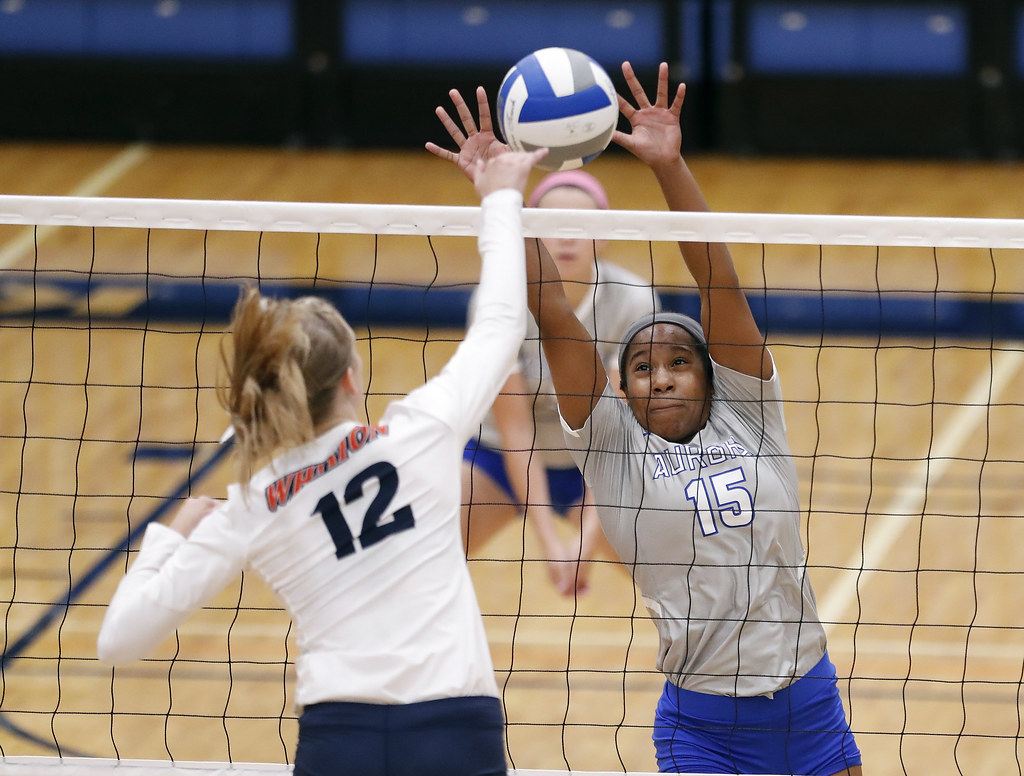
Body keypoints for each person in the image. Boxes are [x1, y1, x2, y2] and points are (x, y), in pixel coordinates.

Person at [96, 148, 549, 776]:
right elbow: (499, 326)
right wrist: (500, 195)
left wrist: (171, 538)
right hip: (453, 733)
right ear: (350, 381)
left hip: (341, 742)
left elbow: (117, 642)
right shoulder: (421, 431)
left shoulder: (253, 503)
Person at [522, 63, 863, 774]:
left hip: (811, 707)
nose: (662, 376)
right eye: (642, 368)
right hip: (702, 728)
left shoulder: (751, 415)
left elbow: (717, 281)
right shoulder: (613, 447)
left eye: (680, 360)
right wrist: (508, 195)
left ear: (712, 376)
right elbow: (551, 311)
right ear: (620, 390)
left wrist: (669, 165)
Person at [428, 93, 660, 597]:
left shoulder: (633, 301)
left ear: (605, 237)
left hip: (597, 466)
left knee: (675, 581)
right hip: (498, 458)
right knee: (418, 560)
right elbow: (516, 431)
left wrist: (586, 543)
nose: (567, 239)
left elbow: (619, 439)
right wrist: (551, 543)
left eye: (583, 227)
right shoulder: (500, 300)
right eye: (553, 226)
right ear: (528, 234)